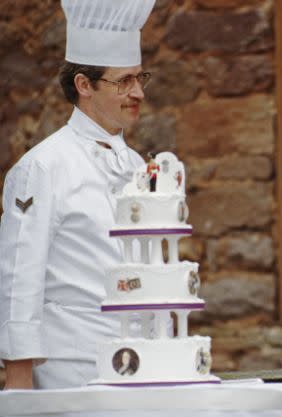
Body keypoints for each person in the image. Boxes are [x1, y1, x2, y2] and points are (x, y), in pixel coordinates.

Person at [0, 0, 155, 389]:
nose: (137, 92)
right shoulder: (43, 166)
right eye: (123, 82)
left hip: (146, 362)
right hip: (72, 367)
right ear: (84, 85)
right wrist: (18, 381)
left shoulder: (138, 164)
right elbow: (20, 276)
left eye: (140, 79)